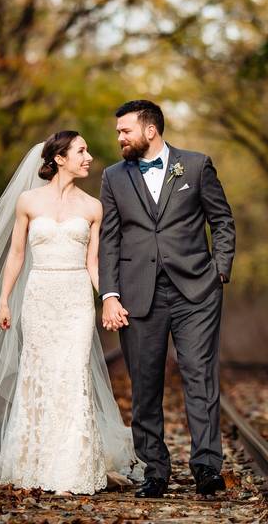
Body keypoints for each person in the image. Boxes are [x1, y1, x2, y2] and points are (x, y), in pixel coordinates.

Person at [0, 131, 145, 494]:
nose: (89, 156)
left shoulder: (93, 207)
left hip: (76, 299)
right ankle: (36, 463)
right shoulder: (28, 201)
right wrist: (3, 299)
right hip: (39, 296)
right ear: (59, 158)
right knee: (39, 376)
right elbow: (16, 254)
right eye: (81, 150)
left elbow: (94, 263)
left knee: (72, 375)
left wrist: (109, 298)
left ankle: (71, 468)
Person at [99, 100, 236, 498]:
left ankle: (207, 467)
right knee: (144, 385)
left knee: (200, 378)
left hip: (196, 292)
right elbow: (109, 240)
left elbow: (222, 220)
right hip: (138, 295)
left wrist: (219, 271)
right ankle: (154, 470)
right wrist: (110, 293)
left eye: (125, 130)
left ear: (150, 130)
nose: (120, 138)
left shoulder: (195, 166)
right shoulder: (113, 177)